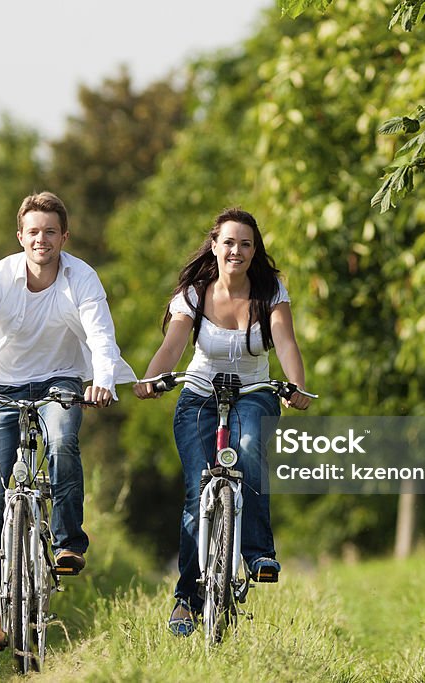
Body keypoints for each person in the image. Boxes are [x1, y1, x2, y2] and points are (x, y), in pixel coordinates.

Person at [0, 191, 136, 651]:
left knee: (64, 439)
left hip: (60, 382)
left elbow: (101, 335)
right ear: (20, 237)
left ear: (64, 236)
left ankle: (68, 545)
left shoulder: (80, 277)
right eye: (32, 232)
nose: (41, 240)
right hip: (0, 389)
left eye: (50, 231)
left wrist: (102, 381)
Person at [133, 207, 311, 637]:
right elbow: (174, 344)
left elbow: (285, 342)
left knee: (248, 453)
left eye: (246, 243)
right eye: (229, 242)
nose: (237, 250)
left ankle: (256, 554)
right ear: (214, 246)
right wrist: (152, 378)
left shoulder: (271, 291)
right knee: (199, 488)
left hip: (253, 394)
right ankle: (186, 599)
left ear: (255, 250)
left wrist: (297, 385)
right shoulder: (194, 293)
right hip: (199, 396)